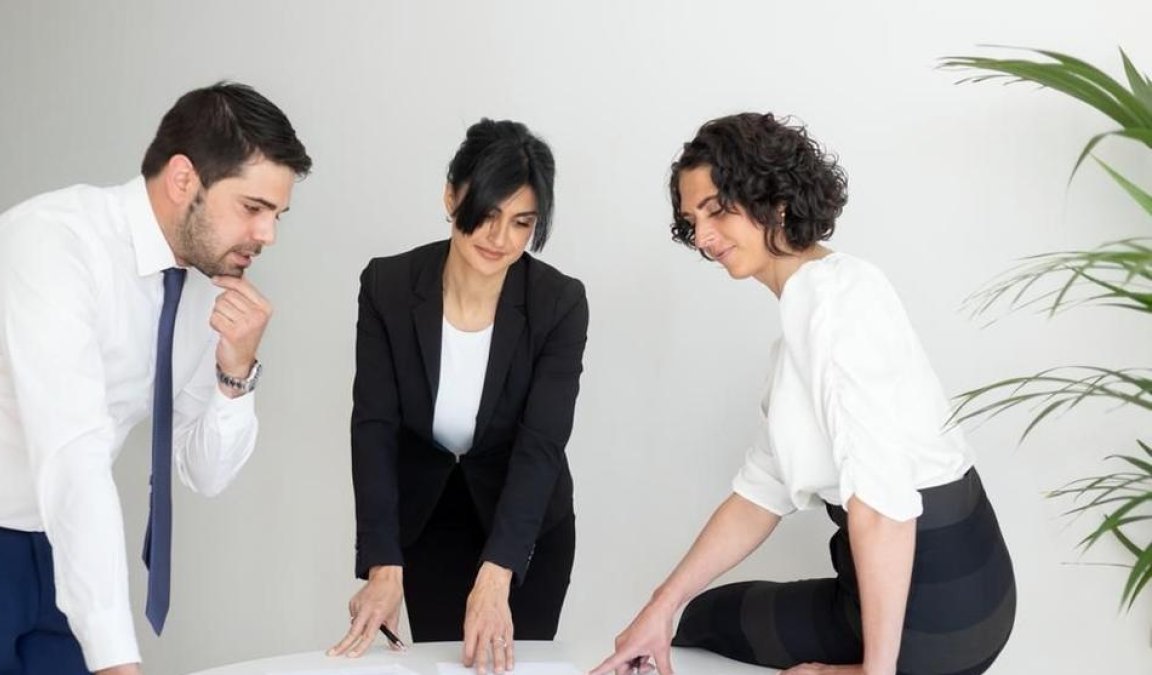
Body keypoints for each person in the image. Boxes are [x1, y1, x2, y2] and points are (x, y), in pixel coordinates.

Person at [591, 113, 1015, 675]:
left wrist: (872, 673)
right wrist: (661, 608)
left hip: (934, 613)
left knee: (715, 622)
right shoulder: (829, 293)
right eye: (692, 220)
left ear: (775, 199)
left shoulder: (832, 311)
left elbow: (883, 507)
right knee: (699, 616)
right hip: (975, 593)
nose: (704, 237)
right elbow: (761, 492)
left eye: (718, 209)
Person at [0, 82, 311, 674]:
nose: (268, 235)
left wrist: (235, 371)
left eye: (278, 214)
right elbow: (72, 453)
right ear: (182, 179)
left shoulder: (201, 288)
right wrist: (119, 661)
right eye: (253, 208)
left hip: (60, 543)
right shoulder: (51, 245)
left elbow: (204, 471)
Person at [328, 118, 587, 675]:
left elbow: (542, 444)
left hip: (525, 525)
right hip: (431, 518)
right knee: (446, 666)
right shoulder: (389, 287)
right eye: (487, 215)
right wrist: (383, 561)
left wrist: (497, 574)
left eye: (522, 223)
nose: (500, 239)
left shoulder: (558, 303)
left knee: (514, 667)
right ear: (451, 196)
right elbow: (373, 426)